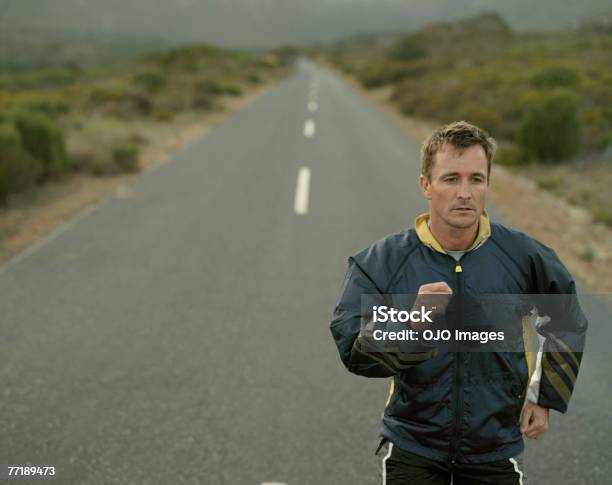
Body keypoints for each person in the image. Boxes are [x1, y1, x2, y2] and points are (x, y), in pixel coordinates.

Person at [330, 121, 588, 484]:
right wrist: (412, 327)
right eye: (451, 179)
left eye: (476, 179)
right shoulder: (382, 262)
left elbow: (568, 319)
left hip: (494, 448)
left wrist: (544, 396)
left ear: (487, 185)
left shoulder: (523, 255)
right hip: (413, 445)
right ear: (426, 185)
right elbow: (352, 349)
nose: (464, 193)